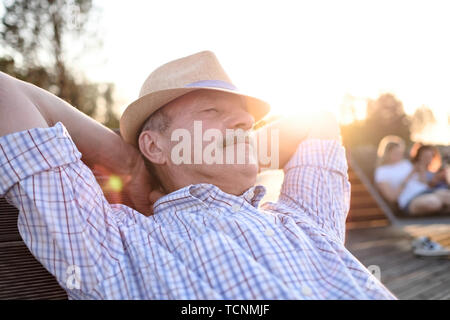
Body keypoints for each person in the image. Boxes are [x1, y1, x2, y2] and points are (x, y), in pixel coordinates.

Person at [0, 51, 395, 299]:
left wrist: (231, 145)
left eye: (247, 120)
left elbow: (319, 121)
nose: (244, 121)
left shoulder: (303, 217)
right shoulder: (115, 245)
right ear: (154, 144)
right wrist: (129, 160)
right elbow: (7, 92)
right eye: (211, 111)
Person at [375, 136, 449, 216]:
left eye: (400, 152)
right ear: (387, 153)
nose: (399, 155)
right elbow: (392, 198)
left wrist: (422, 171)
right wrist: (408, 177)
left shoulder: (406, 164)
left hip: (425, 191)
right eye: (395, 153)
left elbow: (423, 183)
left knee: (445, 196)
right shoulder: (382, 171)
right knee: (434, 202)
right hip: (409, 200)